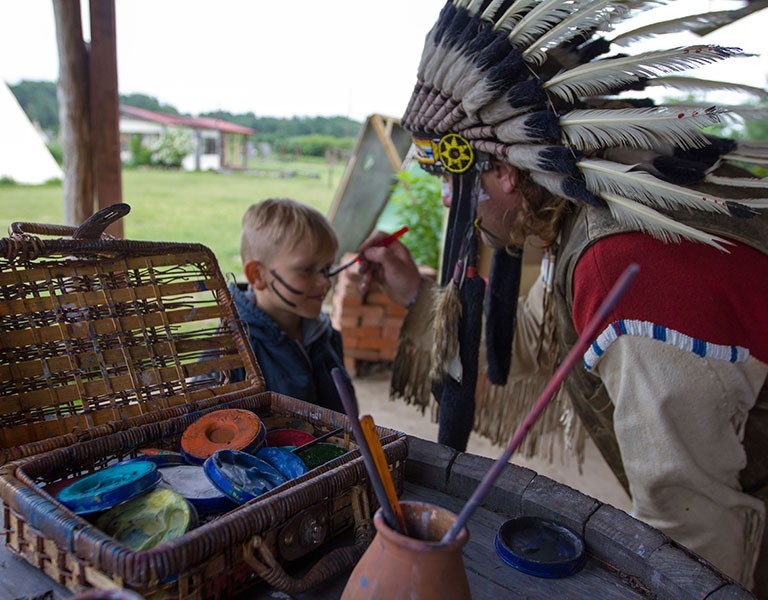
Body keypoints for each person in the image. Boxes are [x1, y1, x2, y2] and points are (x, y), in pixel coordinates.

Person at [358, 0, 768, 593]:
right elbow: (535, 339)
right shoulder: (588, 213)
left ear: (500, 173)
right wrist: (414, 295)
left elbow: (695, 528)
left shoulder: (630, 265)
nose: (448, 200)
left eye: (449, 178)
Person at [228, 197, 348, 413]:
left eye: (327, 267)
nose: (325, 281)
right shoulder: (231, 351)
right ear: (257, 275)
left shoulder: (326, 336)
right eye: (306, 269)